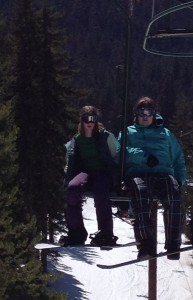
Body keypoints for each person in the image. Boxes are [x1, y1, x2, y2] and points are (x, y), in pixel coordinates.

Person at [117, 96, 186, 260]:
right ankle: (145, 244)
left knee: (174, 196)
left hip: (163, 173)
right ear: (136, 114)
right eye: (142, 112)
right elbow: (121, 153)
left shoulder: (166, 133)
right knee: (140, 195)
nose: (145, 116)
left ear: (155, 114)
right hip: (138, 173)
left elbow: (178, 158)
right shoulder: (127, 133)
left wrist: (180, 180)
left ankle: (173, 244)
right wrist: (143, 157)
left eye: (149, 112)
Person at [62, 105, 118, 247]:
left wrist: (116, 177)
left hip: (102, 172)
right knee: (72, 189)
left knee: (101, 193)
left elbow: (116, 155)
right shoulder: (76, 140)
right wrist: (68, 178)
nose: (89, 123)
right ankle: (77, 232)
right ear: (81, 121)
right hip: (85, 172)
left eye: (93, 119)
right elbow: (70, 159)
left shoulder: (106, 137)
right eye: (86, 119)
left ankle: (105, 232)